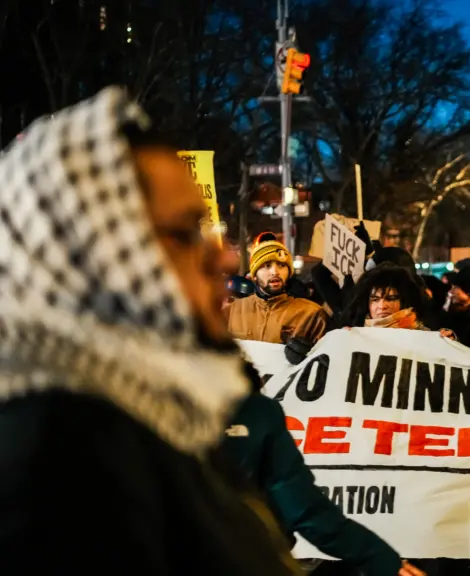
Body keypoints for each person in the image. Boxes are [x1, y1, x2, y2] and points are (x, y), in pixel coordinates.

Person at [0, 87, 303, 574]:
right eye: (184, 234)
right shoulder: (64, 470)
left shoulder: (148, 417)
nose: (224, 257)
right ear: (86, 255)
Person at [222, 365, 424, 576]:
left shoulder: (254, 411)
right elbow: (304, 508)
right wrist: (381, 561)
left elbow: (302, 504)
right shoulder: (253, 411)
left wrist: (380, 559)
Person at [228, 231, 329, 344]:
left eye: (281, 265)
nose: (275, 272)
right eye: (267, 266)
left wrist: (307, 352)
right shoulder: (233, 311)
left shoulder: (311, 314)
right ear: (254, 275)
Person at [442, 266, 470, 343]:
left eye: (455, 287)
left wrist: (456, 338)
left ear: (468, 291)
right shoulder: (452, 310)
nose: (451, 291)